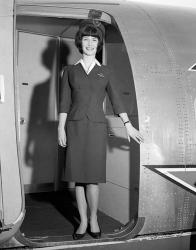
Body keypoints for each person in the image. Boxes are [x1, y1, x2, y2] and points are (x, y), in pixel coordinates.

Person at [58, 19, 144, 240]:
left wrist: (128, 125)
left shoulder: (105, 71)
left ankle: (94, 219)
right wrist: (61, 128)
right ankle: (83, 221)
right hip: (75, 127)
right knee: (78, 178)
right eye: (85, 39)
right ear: (80, 42)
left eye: (93, 40)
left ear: (98, 44)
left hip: (96, 128)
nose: (89, 43)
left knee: (93, 178)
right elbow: (64, 103)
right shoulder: (69, 71)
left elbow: (116, 100)